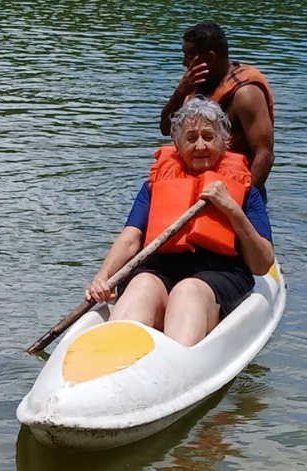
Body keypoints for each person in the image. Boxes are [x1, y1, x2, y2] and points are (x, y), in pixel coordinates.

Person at [87, 97, 273, 347]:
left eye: (208, 137)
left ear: (224, 142)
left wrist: (231, 209)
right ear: (176, 143)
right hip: (159, 269)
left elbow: (262, 264)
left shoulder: (245, 192)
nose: (200, 145)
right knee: (141, 285)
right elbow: (131, 238)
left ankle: (173, 366)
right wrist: (103, 277)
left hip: (220, 273)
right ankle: (115, 357)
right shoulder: (153, 187)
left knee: (187, 291)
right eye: (191, 137)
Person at [160, 22, 274, 203]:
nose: (184, 63)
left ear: (210, 57)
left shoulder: (245, 93)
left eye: (189, 56)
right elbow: (166, 128)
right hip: (199, 184)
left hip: (238, 188)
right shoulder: (195, 83)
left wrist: (242, 203)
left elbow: (265, 154)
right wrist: (180, 93)